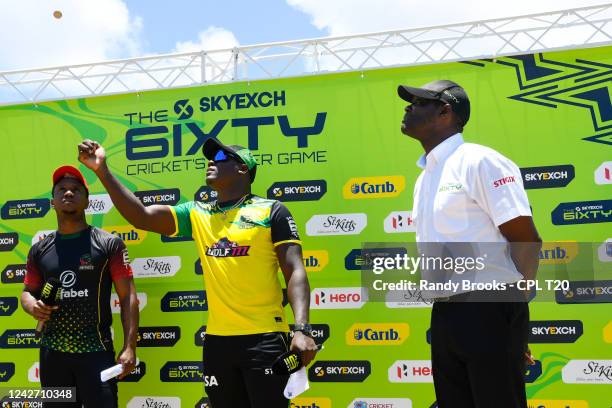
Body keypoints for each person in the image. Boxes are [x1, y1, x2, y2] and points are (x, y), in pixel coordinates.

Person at [77, 137, 318, 407]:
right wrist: (102, 171)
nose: (211, 162)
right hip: (218, 344)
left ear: (243, 169)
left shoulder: (271, 211)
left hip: (264, 340)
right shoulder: (197, 212)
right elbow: (141, 216)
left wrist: (302, 329)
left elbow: (294, 270)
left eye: (221, 158)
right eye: (211, 158)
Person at [398, 80, 542, 408]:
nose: (408, 108)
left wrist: (512, 310)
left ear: (445, 112)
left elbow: (525, 237)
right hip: (445, 313)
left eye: (419, 102)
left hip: (490, 306)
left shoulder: (480, 161)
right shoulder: (424, 178)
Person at [21, 165, 139, 408]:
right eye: (61, 189)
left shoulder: (109, 244)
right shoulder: (39, 249)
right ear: (52, 201)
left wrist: (129, 347)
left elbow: (128, 298)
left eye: (76, 189)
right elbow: (27, 292)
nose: (68, 193)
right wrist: (33, 306)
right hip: (53, 356)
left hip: (96, 354)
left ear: (87, 201)